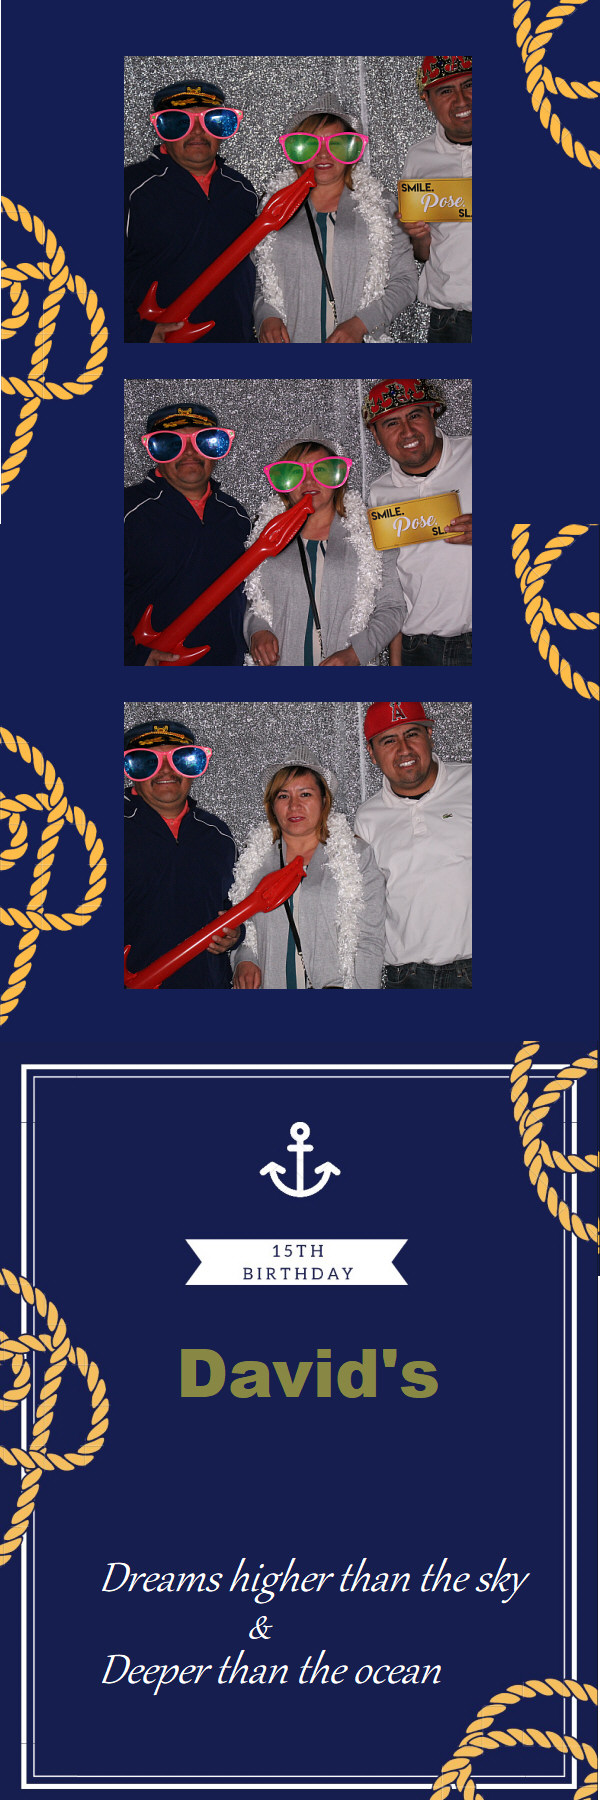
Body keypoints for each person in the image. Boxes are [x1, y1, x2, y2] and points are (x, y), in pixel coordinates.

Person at [253, 94, 418, 343]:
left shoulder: (381, 204)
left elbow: (405, 281)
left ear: (351, 149)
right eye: (311, 144)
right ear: (297, 149)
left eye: (336, 144)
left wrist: (361, 324)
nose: (323, 154)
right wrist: (265, 316)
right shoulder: (274, 204)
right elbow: (254, 277)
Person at [244, 437, 401, 667]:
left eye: (322, 471)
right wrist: (257, 631)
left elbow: (392, 607)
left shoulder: (372, 534)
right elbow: (254, 599)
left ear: (338, 477)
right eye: (296, 473)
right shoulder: (267, 533)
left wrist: (355, 654)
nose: (308, 481)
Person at [230, 756, 385, 989]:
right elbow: (245, 929)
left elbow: (370, 940)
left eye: (305, 794)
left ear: (324, 800)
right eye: (283, 796)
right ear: (272, 804)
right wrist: (244, 960)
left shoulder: (355, 856)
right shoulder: (254, 860)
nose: (294, 806)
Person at [125, 77, 257, 343]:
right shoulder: (129, 187)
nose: (197, 132)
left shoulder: (242, 190)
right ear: (161, 129)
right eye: (179, 122)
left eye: (211, 121)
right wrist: (136, 332)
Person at [354, 701, 472, 990]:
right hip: (406, 978)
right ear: (371, 753)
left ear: (429, 736)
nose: (404, 749)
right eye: (389, 740)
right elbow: (367, 907)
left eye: (412, 734)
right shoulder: (367, 818)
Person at [125, 402, 249, 667]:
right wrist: (130, 655)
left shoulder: (236, 516)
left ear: (216, 452)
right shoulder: (126, 510)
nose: (190, 452)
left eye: (203, 442)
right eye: (172, 444)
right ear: (154, 452)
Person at [124, 718, 239, 989]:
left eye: (180, 760)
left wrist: (236, 933)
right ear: (132, 770)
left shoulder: (218, 835)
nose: (166, 770)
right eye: (148, 761)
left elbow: (232, 904)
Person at [364, 378, 472, 666]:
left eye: (414, 415)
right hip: (419, 650)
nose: (407, 431)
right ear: (375, 435)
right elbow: (394, 585)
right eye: (391, 423)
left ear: (432, 414)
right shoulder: (379, 494)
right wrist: (396, 661)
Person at [399, 56, 472, 343]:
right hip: (452, 319)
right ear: (428, 102)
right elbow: (423, 253)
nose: (461, 100)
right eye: (446, 91)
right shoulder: (419, 157)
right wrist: (418, 235)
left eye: (469, 85)